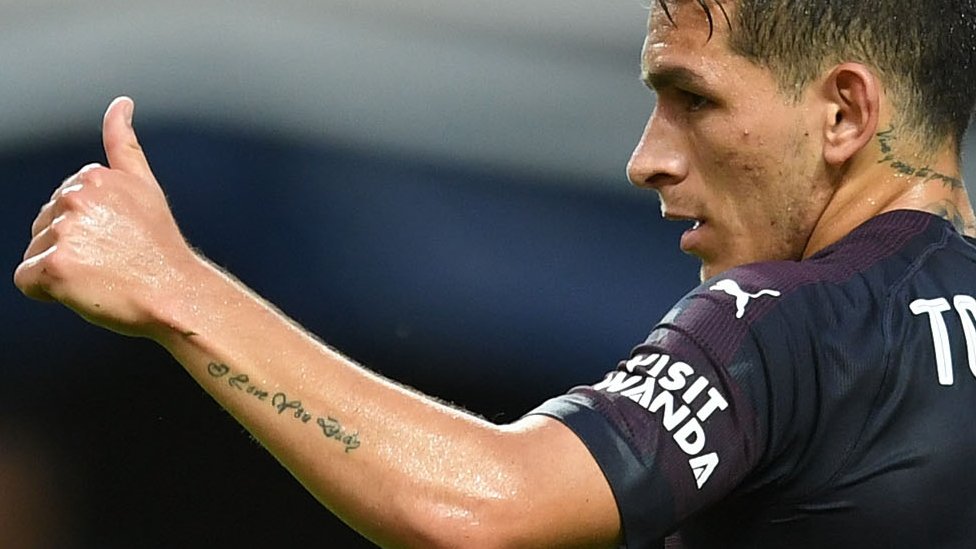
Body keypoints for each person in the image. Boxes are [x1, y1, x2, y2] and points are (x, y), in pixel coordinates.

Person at [14, 0, 976, 546]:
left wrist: (174, 285)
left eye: (693, 98)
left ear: (844, 114)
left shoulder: (781, 325)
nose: (646, 159)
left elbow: (482, 503)